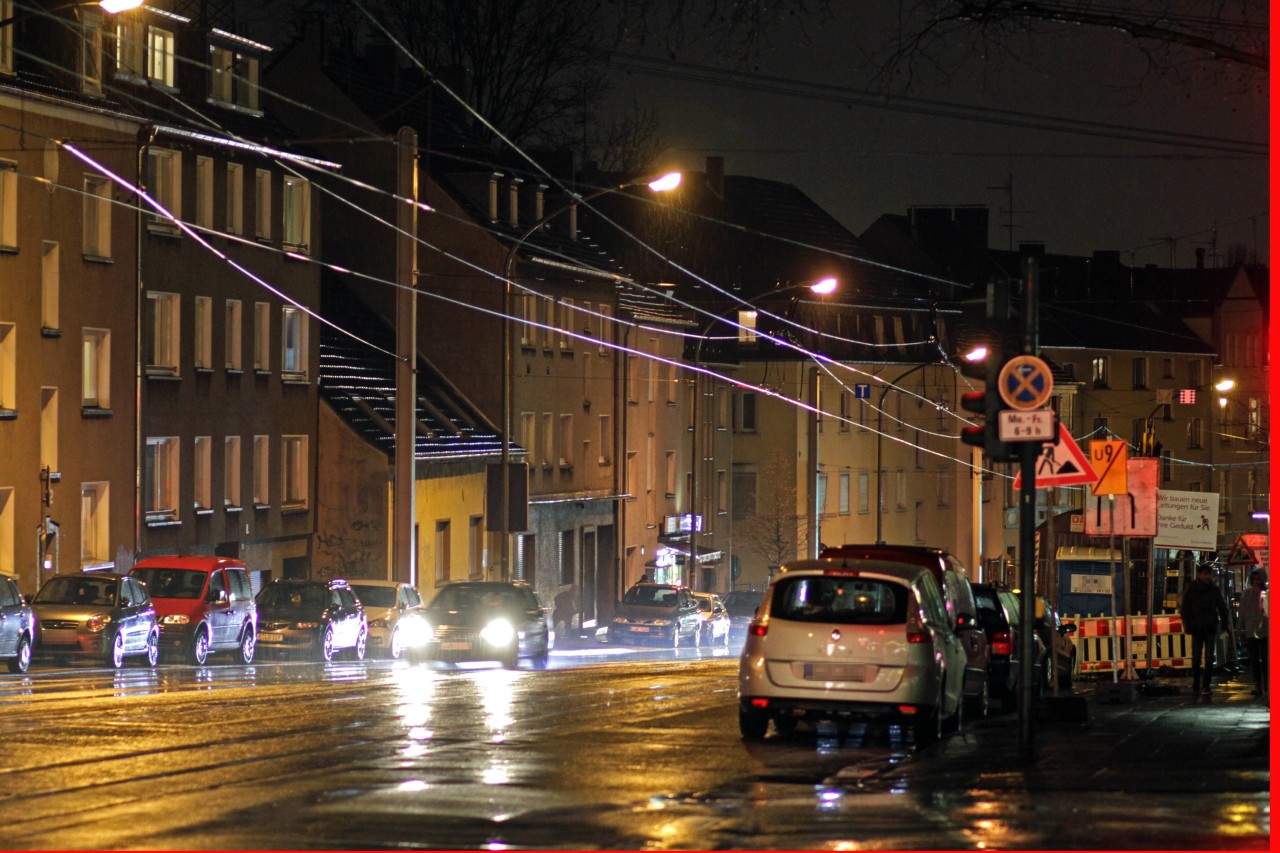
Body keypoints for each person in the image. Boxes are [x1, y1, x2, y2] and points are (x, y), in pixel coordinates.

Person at [1180, 564, 1231, 696]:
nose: (1206, 576)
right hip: (1197, 628)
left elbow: (1222, 608)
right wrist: (1187, 625)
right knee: (1196, 658)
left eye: (1208, 574)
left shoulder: (1214, 589)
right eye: (1204, 574)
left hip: (1209, 628)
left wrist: (1224, 626)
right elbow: (1185, 608)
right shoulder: (1192, 588)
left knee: (1208, 658)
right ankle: (1197, 683)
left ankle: (1206, 685)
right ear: (1199, 574)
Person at [1237, 569, 1268, 695]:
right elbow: (1242, 613)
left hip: (1266, 632)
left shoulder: (1267, 594)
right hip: (1251, 631)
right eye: (1254, 579)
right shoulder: (1246, 594)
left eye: (1258, 579)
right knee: (1254, 660)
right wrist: (1239, 630)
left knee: (1266, 659)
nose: (1256, 582)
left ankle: (1267, 683)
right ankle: (1258, 684)